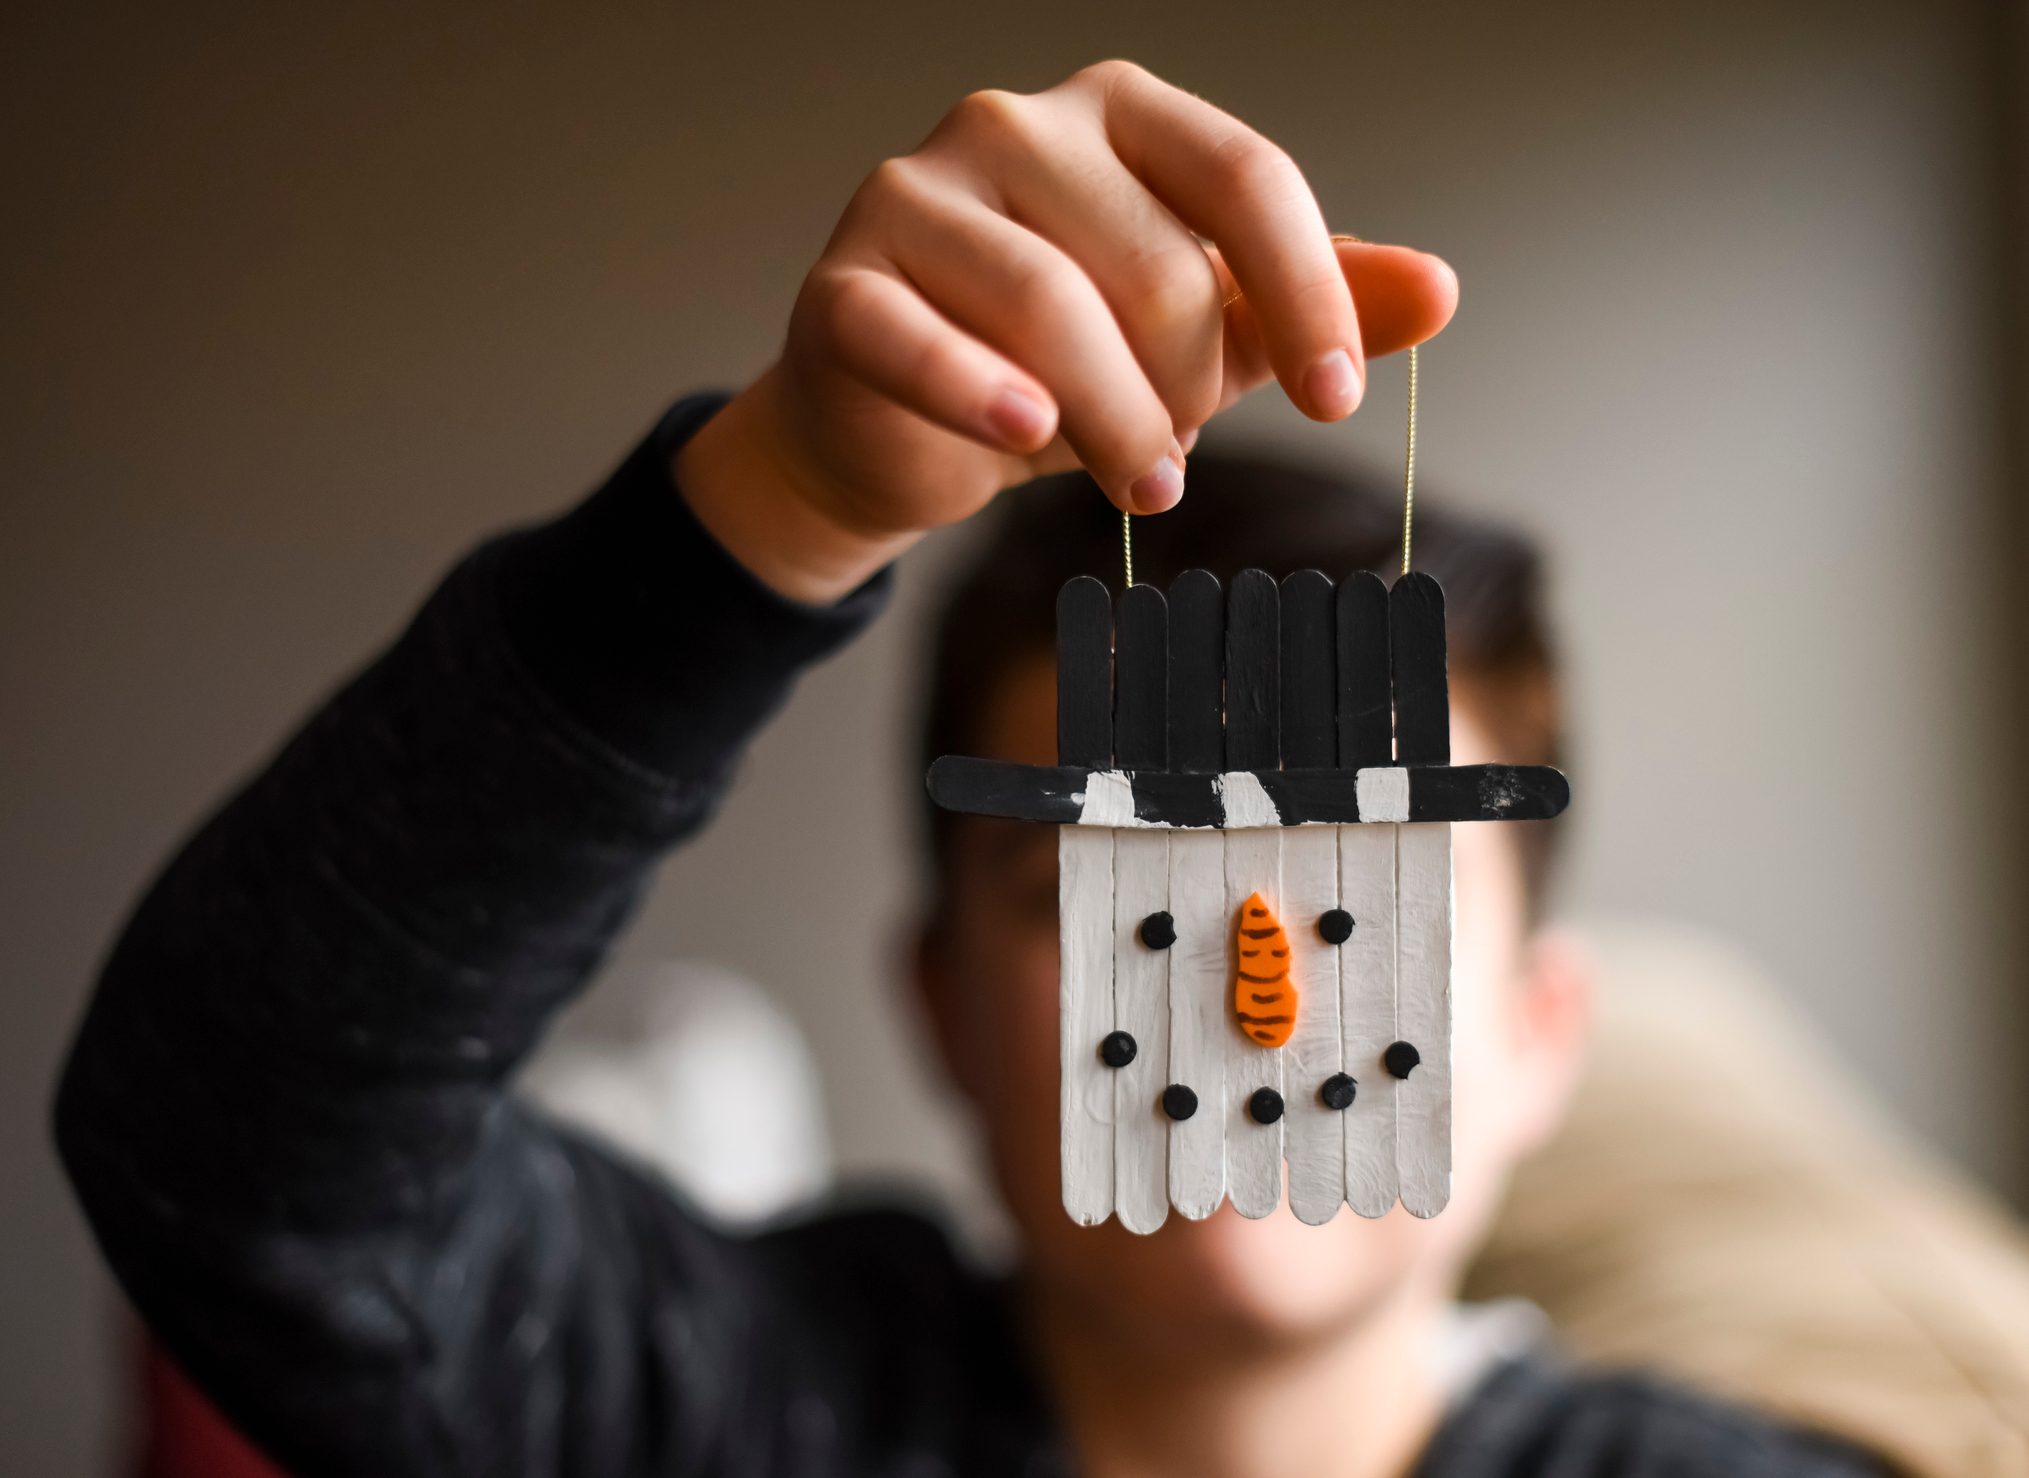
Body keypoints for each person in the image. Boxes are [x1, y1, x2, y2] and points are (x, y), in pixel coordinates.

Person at [55, 62, 1886, 1477]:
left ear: (1548, 1029)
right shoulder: (720, 1401)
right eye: (1098, 881)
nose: (1252, 995)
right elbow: (236, 1153)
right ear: (938, 1005)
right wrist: (779, 506)